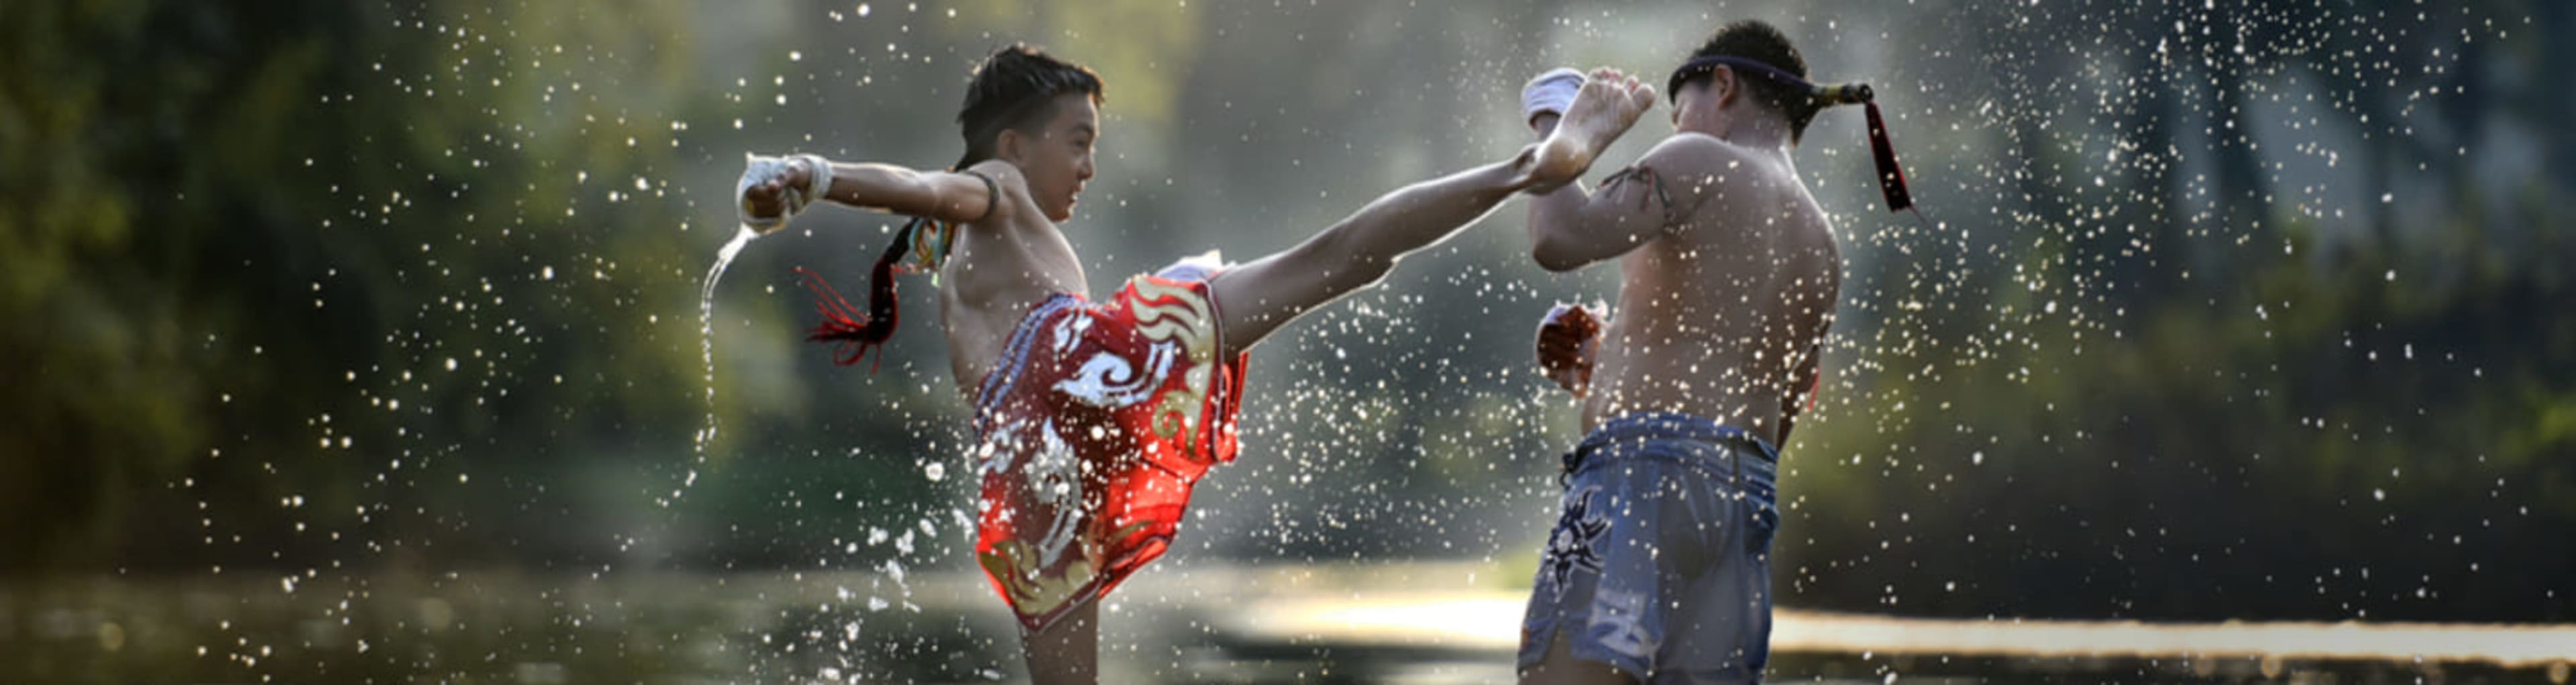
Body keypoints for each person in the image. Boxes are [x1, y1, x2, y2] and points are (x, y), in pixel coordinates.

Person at [737, 44, 1656, 683]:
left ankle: (1534, 163)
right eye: (1079, 141)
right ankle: (1536, 164)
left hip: (1024, 471)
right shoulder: (997, 185)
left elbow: (924, 210)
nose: (1090, 167)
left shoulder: (962, 244)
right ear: (1014, 144)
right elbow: (926, 183)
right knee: (1338, 257)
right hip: (1078, 370)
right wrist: (815, 175)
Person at [1514, 20, 1857, 684]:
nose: (1676, 133)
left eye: (1679, 115)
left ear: (1722, 86)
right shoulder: (1821, 240)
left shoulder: (1699, 158)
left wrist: (1555, 119)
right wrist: (1602, 364)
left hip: (1640, 476)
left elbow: (1556, 238)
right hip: (1743, 502)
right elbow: (1767, 406)